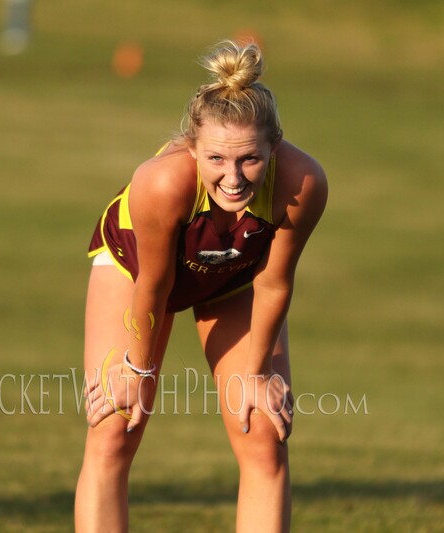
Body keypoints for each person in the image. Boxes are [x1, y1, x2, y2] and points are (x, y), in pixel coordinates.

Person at [75, 40, 328, 532]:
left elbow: (275, 282)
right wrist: (135, 368)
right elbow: (155, 285)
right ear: (192, 147)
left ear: (274, 146)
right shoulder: (162, 183)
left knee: (263, 431)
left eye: (250, 160)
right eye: (215, 159)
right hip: (137, 272)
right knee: (115, 429)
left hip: (232, 276)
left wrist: (255, 375)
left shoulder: (302, 184)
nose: (232, 179)